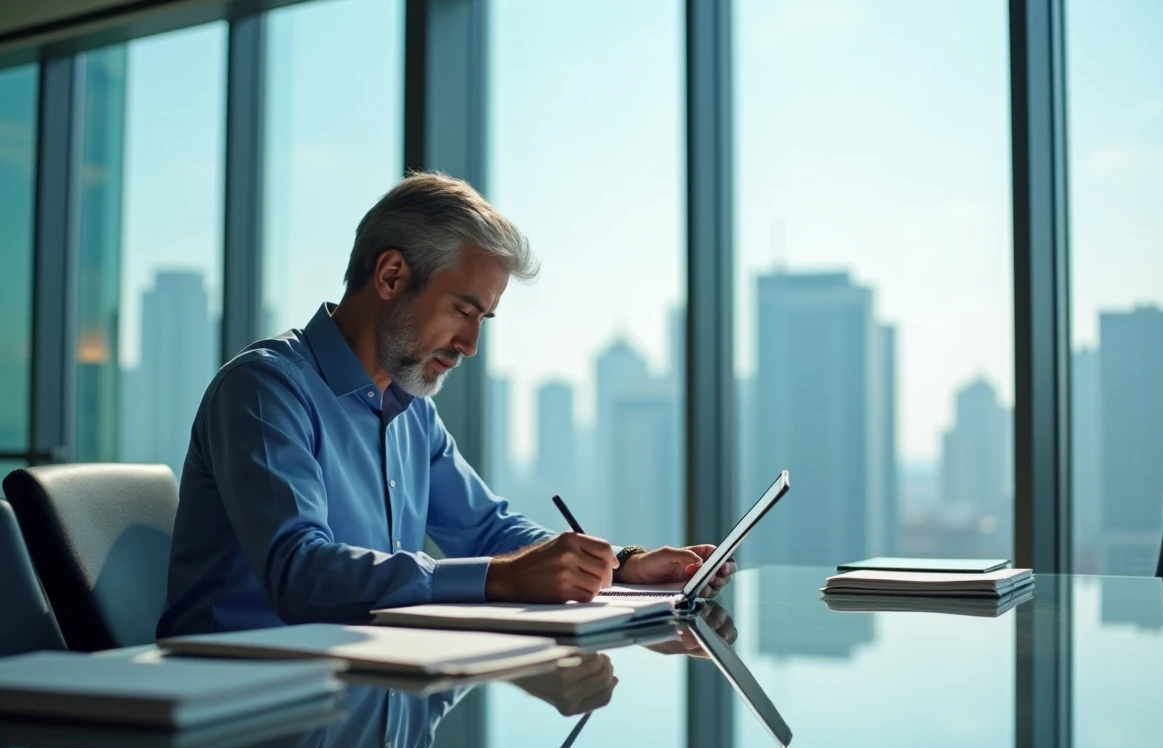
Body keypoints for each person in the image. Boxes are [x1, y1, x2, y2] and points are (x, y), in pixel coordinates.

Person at [157, 172, 734, 638]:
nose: (472, 345)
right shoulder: (265, 390)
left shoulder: (411, 409)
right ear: (390, 275)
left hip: (364, 686)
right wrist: (500, 582)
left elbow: (488, 535)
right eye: (463, 310)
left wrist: (622, 566)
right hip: (239, 705)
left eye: (483, 319)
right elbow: (300, 574)